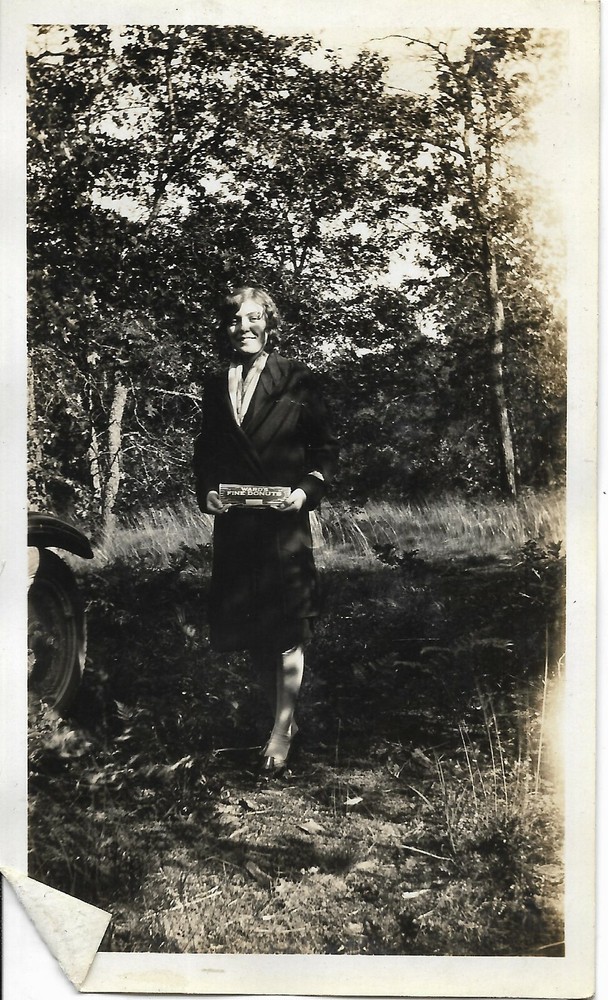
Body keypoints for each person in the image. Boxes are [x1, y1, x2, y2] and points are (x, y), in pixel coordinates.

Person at [192, 286, 339, 776]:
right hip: (237, 526)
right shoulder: (216, 384)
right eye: (235, 319)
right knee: (251, 630)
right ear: (225, 327)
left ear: (269, 324)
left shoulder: (298, 378)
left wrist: (306, 491)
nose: (244, 327)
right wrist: (207, 492)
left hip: (283, 526)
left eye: (254, 318)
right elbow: (206, 450)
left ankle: (281, 729)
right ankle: (276, 719)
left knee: (287, 627)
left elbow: (324, 451)